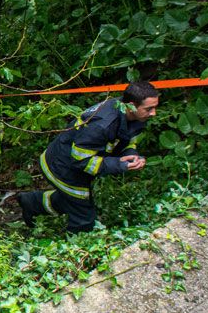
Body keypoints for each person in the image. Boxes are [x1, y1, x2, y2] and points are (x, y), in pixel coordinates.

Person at [17, 81, 159, 233]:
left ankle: (31, 202)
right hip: (63, 166)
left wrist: (131, 155)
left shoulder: (129, 113)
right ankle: (76, 243)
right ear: (131, 106)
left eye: (155, 107)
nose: (153, 113)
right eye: (149, 109)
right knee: (84, 218)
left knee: (74, 201)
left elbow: (128, 139)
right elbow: (81, 160)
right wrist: (119, 164)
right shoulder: (102, 125)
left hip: (74, 162)